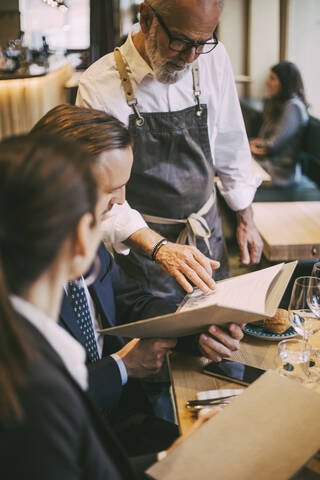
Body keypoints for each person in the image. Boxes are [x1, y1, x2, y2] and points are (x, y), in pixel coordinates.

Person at [0, 133, 219, 479]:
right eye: (96, 213)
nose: (116, 209)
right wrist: (178, 464)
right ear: (77, 238)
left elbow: (132, 301)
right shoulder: (35, 390)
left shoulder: (24, 336)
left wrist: (202, 324)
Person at [31, 104, 244, 430]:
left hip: (122, 413)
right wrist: (122, 367)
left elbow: (132, 301)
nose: (121, 201)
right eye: (110, 189)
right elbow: (36, 408)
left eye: (125, 184)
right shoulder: (18, 275)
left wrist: (198, 330)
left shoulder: (87, 231)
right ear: (61, 183)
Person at [76, 0, 263, 305]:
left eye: (202, 43)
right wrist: (159, 248)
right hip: (142, 251)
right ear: (146, 17)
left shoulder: (213, 60)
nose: (191, 57)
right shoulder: (98, 85)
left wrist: (246, 218)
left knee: (215, 337)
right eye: (179, 41)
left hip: (206, 238)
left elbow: (232, 145)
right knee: (157, 342)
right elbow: (98, 196)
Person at [250, 61, 309, 187]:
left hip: (279, 172)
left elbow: (272, 145)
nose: (267, 82)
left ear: (285, 83)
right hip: (269, 164)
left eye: (272, 78)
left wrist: (252, 147)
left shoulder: (293, 107)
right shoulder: (280, 103)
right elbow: (265, 140)